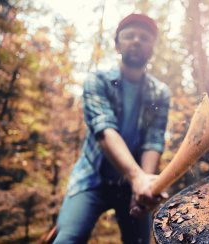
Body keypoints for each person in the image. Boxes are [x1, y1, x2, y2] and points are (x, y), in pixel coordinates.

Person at [54, 13, 171, 244]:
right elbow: (104, 131)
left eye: (145, 37)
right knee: (68, 238)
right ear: (117, 44)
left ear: (152, 49)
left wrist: (146, 185)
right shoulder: (96, 81)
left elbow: (153, 140)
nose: (137, 41)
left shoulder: (160, 92)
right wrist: (138, 177)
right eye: (129, 36)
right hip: (92, 179)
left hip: (133, 184)